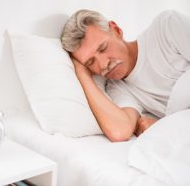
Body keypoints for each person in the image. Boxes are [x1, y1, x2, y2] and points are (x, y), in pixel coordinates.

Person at [60, 9, 190, 142]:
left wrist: (166, 127)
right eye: (90, 62)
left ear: (116, 30)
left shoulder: (166, 27)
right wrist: (82, 74)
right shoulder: (118, 88)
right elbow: (119, 131)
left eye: (103, 48)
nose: (104, 64)